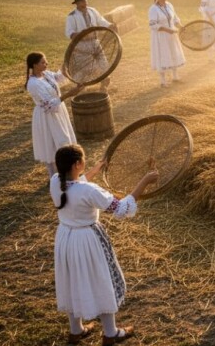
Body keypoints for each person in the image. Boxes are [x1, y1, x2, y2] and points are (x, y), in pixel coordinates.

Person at [50, 144, 159, 345]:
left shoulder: (56, 181)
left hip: (65, 238)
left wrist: (95, 170)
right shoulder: (89, 190)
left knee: (72, 281)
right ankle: (110, 333)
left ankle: (76, 330)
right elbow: (122, 209)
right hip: (87, 241)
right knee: (101, 280)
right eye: (83, 160)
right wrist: (144, 181)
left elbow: (76, 186)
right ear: (77, 164)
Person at [25, 52, 83, 178]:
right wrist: (69, 94)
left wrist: (65, 66)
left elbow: (59, 78)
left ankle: (68, 173)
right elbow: (48, 105)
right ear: (34, 65)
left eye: (45, 61)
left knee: (64, 140)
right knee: (53, 144)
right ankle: (56, 176)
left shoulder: (45, 74)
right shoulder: (33, 84)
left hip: (59, 111)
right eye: (43, 62)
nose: (46, 64)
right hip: (47, 116)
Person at [65, 0, 116, 91]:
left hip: (95, 42)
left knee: (103, 63)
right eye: (82, 1)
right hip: (81, 45)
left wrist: (110, 25)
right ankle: (80, 88)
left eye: (85, 0)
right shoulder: (72, 16)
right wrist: (80, 35)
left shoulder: (92, 11)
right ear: (77, 3)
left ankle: (104, 85)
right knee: (85, 67)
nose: (84, 3)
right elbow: (69, 32)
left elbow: (101, 21)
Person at [148, 0, 186, 87]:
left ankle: (175, 77)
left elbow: (175, 19)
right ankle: (163, 81)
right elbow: (153, 25)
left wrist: (180, 26)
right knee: (163, 55)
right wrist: (168, 30)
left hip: (172, 34)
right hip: (161, 36)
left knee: (173, 53)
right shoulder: (153, 9)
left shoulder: (169, 5)